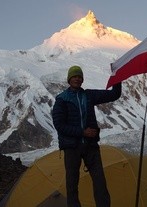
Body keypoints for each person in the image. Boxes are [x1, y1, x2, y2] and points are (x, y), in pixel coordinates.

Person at [52, 65, 121, 207]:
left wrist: (117, 77)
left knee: (100, 182)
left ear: (82, 79)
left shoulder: (89, 95)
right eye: (74, 76)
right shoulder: (62, 99)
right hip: (72, 147)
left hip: (90, 146)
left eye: (79, 76)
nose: (77, 79)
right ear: (69, 79)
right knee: (72, 185)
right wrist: (82, 132)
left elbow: (114, 95)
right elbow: (59, 125)